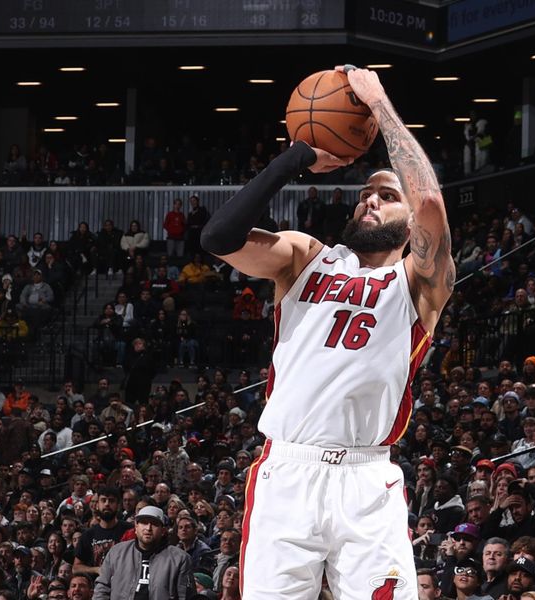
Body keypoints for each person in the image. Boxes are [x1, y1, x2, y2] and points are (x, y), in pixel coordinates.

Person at [200, 65, 454, 599]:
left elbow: (429, 202)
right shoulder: (305, 257)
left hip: (367, 480)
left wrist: (380, 106)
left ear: (410, 225)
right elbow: (218, 237)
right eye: (366, 193)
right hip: (287, 468)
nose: (370, 200)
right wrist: (296, 156)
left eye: (386, 195)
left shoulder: (418, 281)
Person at [93, 506, 195, 600]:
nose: (148, 528)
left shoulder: (180, 558)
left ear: (163, 530)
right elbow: (102, 588)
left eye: (154, 524)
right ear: (136, 528)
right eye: (144, 523)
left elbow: (184, 596)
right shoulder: (117, 552)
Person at [73, 486, 133, 576]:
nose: (107, 504)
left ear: (118, 506)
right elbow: (76, 568)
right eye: (103, 500)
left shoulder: (129, 530)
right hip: (97, 586)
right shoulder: (88, 535)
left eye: (111, 501)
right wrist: (96, 570)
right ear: (97, 505)